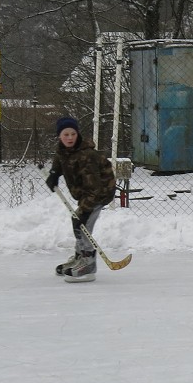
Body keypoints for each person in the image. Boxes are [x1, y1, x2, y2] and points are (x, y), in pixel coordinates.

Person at [45, 116, 116, 283]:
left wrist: (84, 211)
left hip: (99, 193)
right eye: (65, 134)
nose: (69, 138)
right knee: (77, 221)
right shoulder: (64, 150)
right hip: (85, 192)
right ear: (59, 136)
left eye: (73, 134)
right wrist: (54, 173)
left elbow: (94, 188)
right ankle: (80, 256)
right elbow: (60, 159)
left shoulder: (86, 156)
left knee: (83, 224)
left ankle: (89, 264)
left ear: (78, 134)